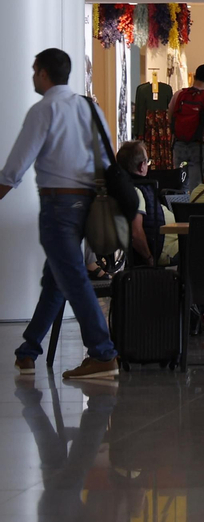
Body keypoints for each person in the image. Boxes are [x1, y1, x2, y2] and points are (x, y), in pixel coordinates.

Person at [2, 49, 121, 379]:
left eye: (33, 71)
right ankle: (28, 351)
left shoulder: (44, 110)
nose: (32, 77)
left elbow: (15, 167)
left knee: (71, 277)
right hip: (89, 204)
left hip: (59, 207)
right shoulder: (89, 107)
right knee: (58, 278)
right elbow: (107, 159)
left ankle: (103, 352)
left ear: (42, 74)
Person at [116, 141, 161, 267]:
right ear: (142, 166)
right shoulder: (136, 191)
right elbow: (136, 233)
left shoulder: (125, 188)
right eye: (147, 161)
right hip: (159, 251)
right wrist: (149, 258)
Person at [169, 63, 204, 193]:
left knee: (179, 182)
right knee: (196, 185)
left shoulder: (179, 94)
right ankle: (192, 209)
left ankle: (178, 207)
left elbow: (170, 115)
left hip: (179, 143)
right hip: (197, 145)